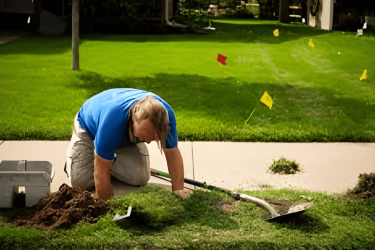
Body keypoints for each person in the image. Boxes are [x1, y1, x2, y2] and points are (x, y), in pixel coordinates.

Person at [65, 88, 192, 200]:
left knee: (140, 178)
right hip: (88, 129)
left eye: (153, 138)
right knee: (81, 183)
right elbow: (101, 170)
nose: (148, 141)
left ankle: (107, 153)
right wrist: (108, 207)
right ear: (134, 117)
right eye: (144, 136)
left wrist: (178, 190)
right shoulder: (112, 121)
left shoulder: (165, 118)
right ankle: (87, 157)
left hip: (124, 137)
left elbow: (172, 153)